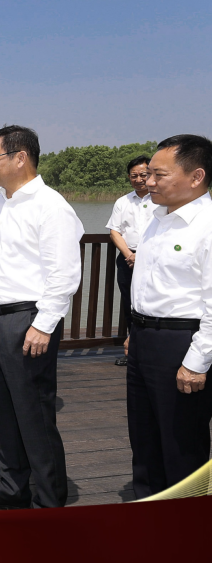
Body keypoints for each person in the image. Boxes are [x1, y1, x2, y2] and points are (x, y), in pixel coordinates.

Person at [0, 125, 84, 509]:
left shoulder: (51, 206)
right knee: (1, 409)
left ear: (20, 158)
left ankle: (49, 502)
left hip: (26, 321)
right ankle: (12, 489)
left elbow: (64, 274)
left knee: (34, 414)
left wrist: (43, 325)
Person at [124, 134, 212, 499]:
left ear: (196, 177)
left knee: (182, 442)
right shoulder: (157, 219)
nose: (149, 182)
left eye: (159, 175)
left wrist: (196, 362)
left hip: (182, 342)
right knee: (144, 437)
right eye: (148, 175)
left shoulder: (206, 225)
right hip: (144, 337)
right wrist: (135, 330)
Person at [107, 156, 155, 366]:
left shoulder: (161, 199)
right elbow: (114, 231)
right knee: (130, 304)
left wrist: (142, 256)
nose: (139, 179)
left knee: (153, 303)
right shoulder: (122, 201)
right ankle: (133, 352)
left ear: (151, 174)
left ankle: (153, 351)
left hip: (154, 259)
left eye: (143, 174)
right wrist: (129, 255)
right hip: (128, 259)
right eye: (134, 175)